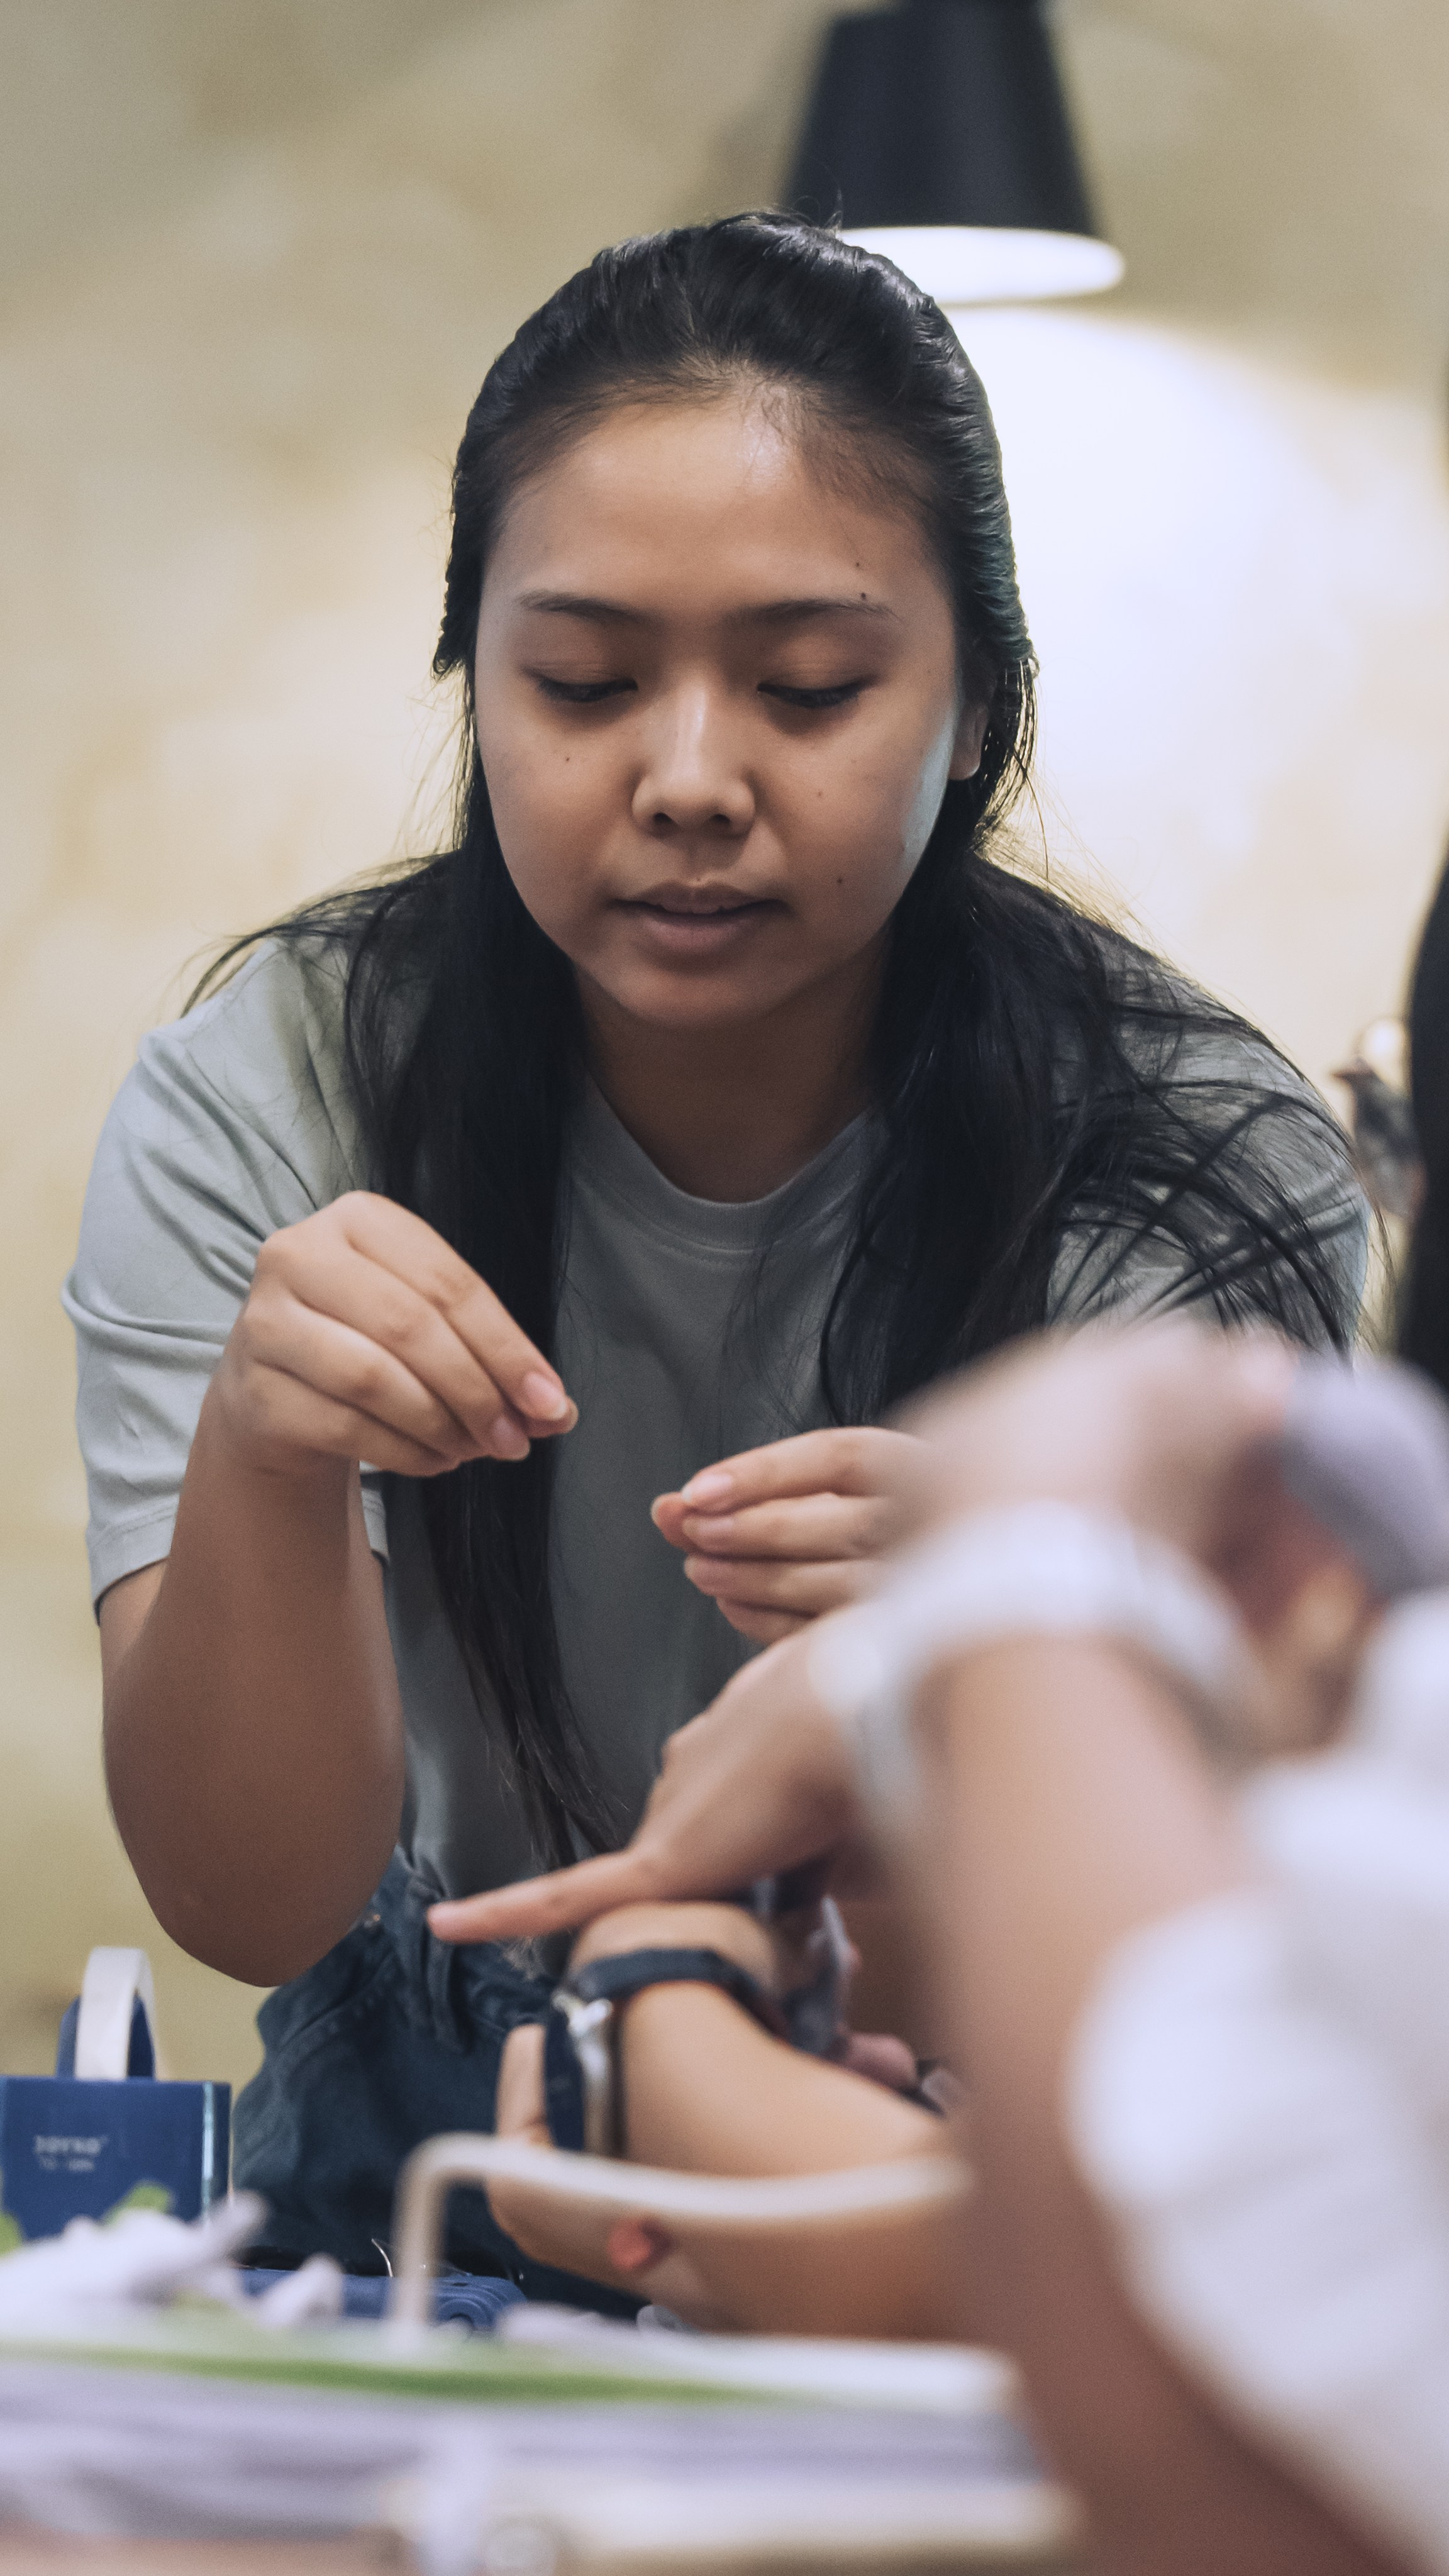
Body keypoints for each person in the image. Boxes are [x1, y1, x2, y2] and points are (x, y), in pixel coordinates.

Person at [66, 212, 1363, 2285]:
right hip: (390, 2241)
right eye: (583, 682)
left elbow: (1207, 1960)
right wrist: (266, 1448)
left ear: (973, 709)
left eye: (808, 685)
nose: (687, 780)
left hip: (957, 2192)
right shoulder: (271, 1095)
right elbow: (255, 1902)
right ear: (469, 685)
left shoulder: (1198, 1156)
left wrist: (1022, 1636)